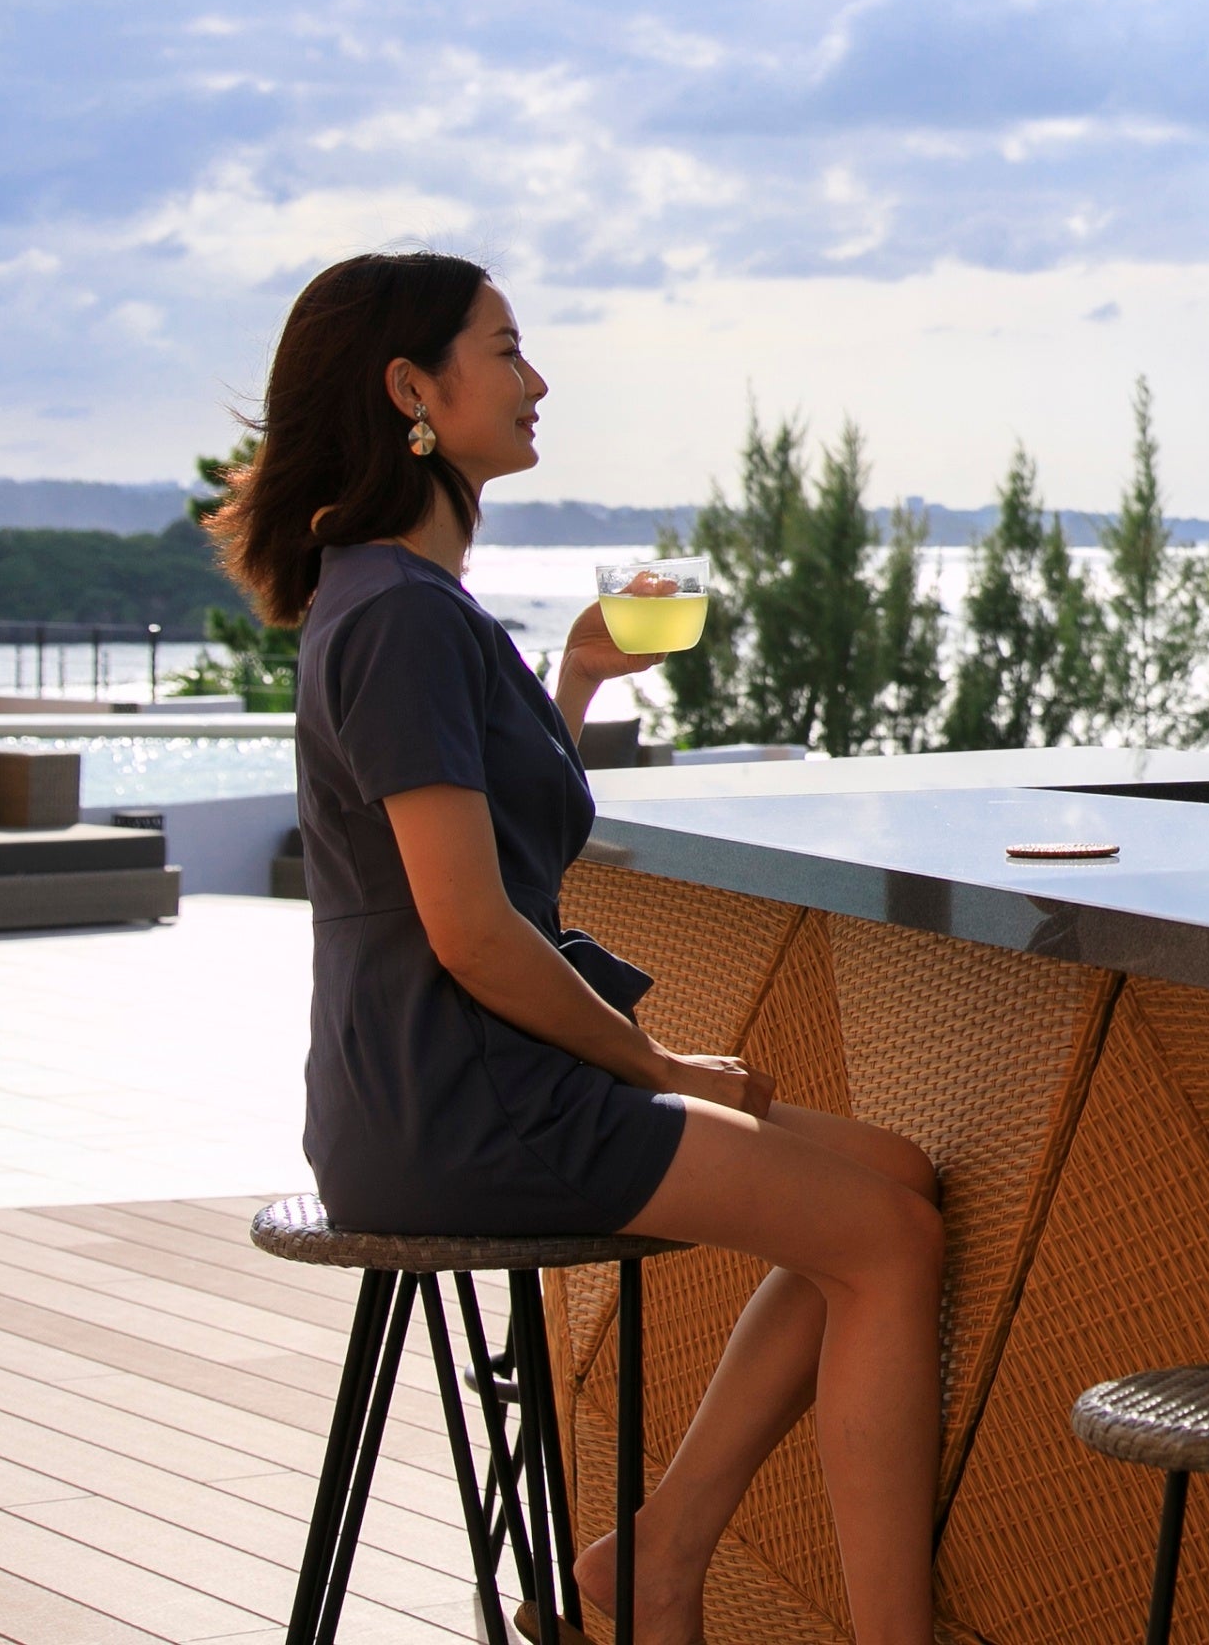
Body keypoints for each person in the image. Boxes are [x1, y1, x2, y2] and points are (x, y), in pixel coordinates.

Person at [211, 252, 941, 1645]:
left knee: (892, 1185)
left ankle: (652, 1560)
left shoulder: (398, 601)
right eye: (506, 350)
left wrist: (579, 680)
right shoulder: (403, 618)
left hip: (451, 1084)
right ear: (413, 390)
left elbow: (497, 856)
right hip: (464, 1101)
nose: (536, 381)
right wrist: (658, 1065)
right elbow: (474, 932)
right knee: (889, 1244)